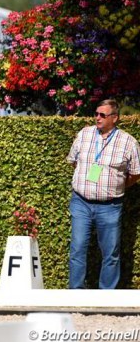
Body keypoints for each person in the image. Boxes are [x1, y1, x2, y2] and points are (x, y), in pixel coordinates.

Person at [66, 99, 140, 289]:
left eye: (102, 115)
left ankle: (106, 294)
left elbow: (136, 173)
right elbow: (74, 161)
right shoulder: (84, 134)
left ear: (114, 118)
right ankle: (75, 293)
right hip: (81, 202)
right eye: (96, 114)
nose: (97, 118)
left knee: (110, 253)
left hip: (110, 206)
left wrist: (116, 187)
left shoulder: (128, 142)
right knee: (77, 249)